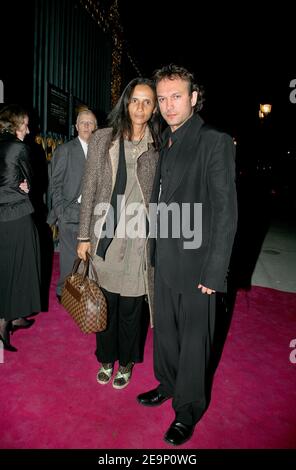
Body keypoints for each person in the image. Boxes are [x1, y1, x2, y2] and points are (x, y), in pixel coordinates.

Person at [137, 65, 238, 446]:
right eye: (162, 99)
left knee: (195, 340)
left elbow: (226, 212)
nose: (167, 105)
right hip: (165, 254)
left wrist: (215, 272)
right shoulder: (168, 140)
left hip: (198, 263)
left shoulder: (214, 141)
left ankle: (188, 409)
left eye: (176, 96)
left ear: (194, 97)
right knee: (165, 331)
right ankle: (167, 383)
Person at [77, 78, 160, 389]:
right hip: (106, 237)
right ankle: (105, 358)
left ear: (154, 109)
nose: (139, 107)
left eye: (147, 101)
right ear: (125, 102)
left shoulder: (158, 146)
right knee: (104, 303)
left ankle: (125, 362)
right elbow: (90, 187)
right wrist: (83, 236)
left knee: (131, 309)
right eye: (135, 99)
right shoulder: (103, 139)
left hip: (139, 240)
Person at [0, 104, 40, 352]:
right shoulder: (18, 147)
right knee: (21, 265)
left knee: (6, 265)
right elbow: (30, 178)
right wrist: (24, 186)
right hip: (16, 213)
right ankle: (4, 323)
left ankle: (14, 316)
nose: (28, 128)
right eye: (24, 123)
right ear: (15, 125)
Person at [47, 109, 97, 302]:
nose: (86, 126)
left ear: (95, 127)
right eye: (82, 122)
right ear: (76, 127)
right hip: (70, 211)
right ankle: (63, 292)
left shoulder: (100, 152)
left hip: (93, 213)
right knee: (69, 256)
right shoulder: (65, 150)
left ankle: (84, 291)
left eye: (90, 122)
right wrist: (61, 212)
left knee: (89, 256)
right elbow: (55, 183)